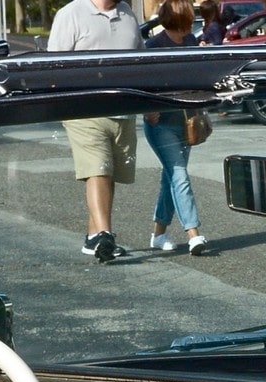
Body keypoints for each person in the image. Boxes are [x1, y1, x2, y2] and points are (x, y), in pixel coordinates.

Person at [48, 0, 142, 262]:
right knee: (98, 169)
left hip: (123, 109)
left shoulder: (128, 14)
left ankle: (94, 239)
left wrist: (150, 104)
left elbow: (140, 62)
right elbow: (52, 65)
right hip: (84, 109)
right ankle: (104, 234)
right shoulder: (71, 14)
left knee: (108, 174)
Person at [142, 0, 209, 256]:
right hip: (160, 122)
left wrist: (202, 111)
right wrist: (147, 108)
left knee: (170, 177)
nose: (191, 26)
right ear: (177, 22)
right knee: (179, 175)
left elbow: (196, 81)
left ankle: (158, 234)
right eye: (188, 21)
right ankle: (194, 233)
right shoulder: (153, 47)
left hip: (186, 120)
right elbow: (140, 82)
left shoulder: (191, 41)